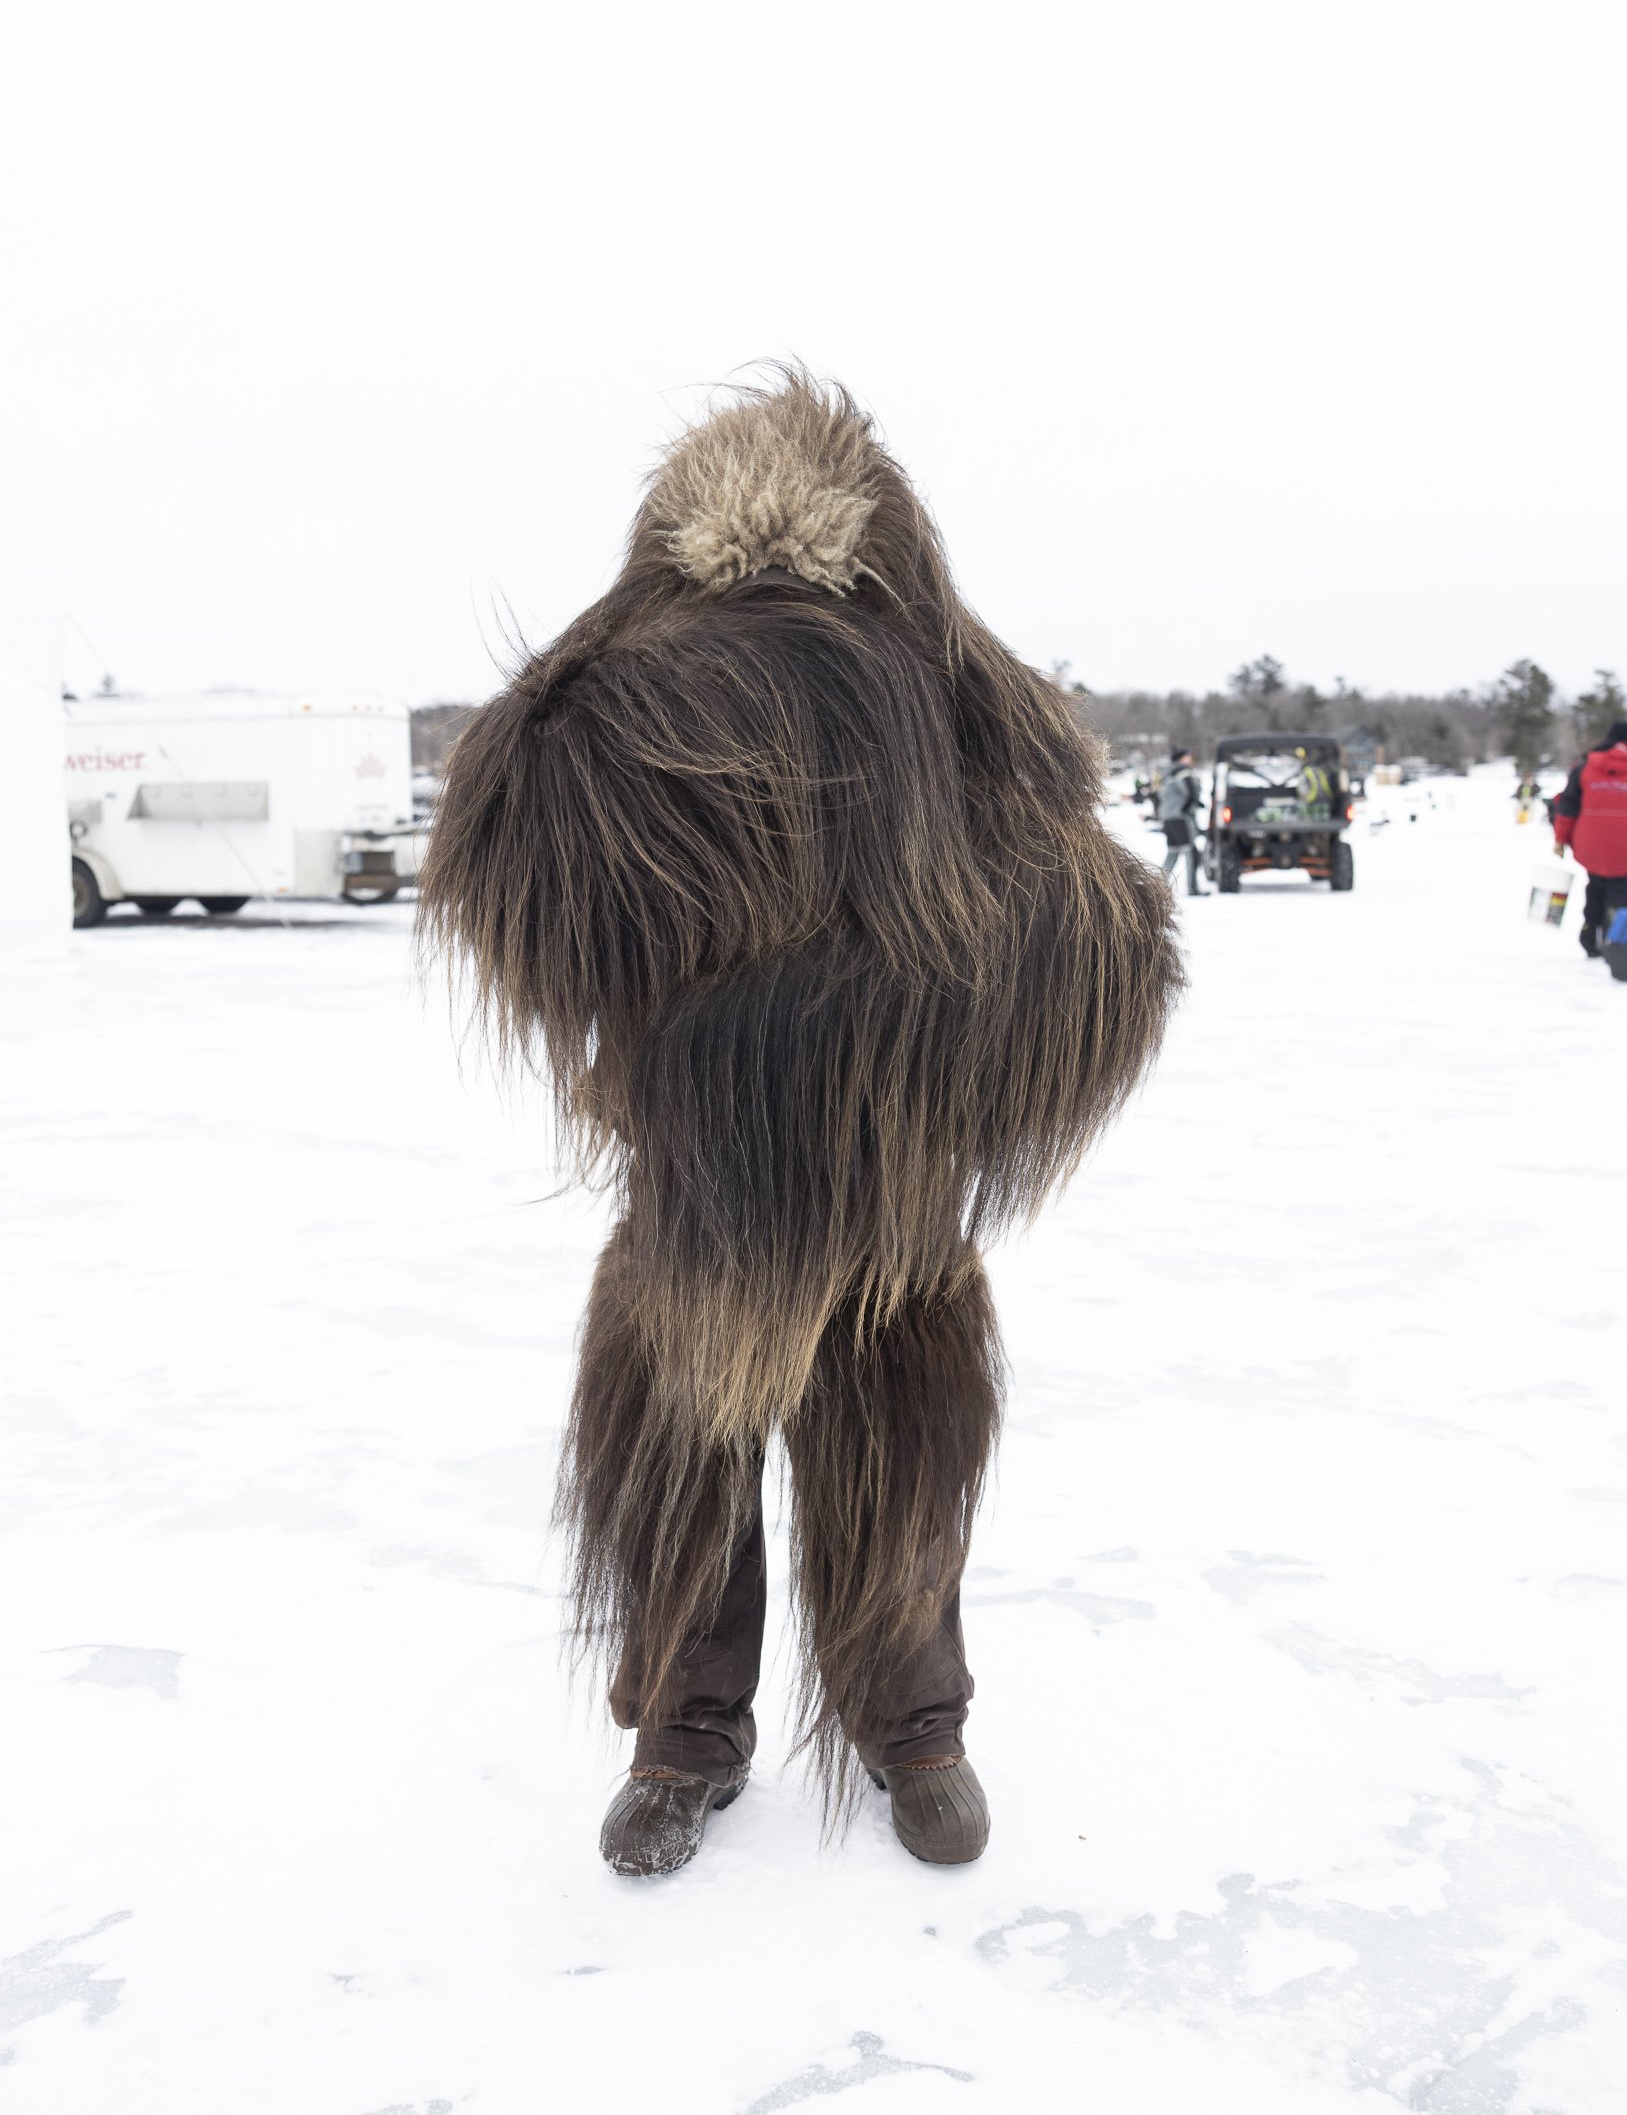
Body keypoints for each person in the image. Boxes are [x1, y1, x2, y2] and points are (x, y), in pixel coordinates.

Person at [420, 372, 1182, 1877]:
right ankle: (685, 1734)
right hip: (693, 1197)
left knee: (902, 1464)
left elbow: (1099, 919)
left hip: (892, 1206)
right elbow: (513, 875)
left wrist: (900, 1015)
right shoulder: (603, 701)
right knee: (676, 1476)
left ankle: (917, 1729)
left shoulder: (961, 694)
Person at [1552, 719, 1627, 961]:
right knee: (1620, 893)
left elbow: (1567, 806)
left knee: (1595, 886)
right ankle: (1615, 942)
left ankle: (1589, 937)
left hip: (1590, 844)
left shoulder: (1586, 766)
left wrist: (1560, 839)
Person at [1157, 747, 1204, 893]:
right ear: (1182, 758)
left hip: (1168, 817)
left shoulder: (1167, 773)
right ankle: (1192, 888)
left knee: (1173, 851)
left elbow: (1161, 795)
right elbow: (1190, 792)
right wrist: (1190, 807)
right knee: (1191, 851)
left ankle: (1159, 887)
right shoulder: (1184, 772)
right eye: (1188, 756)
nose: (1190, 759)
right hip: (1180, 818)